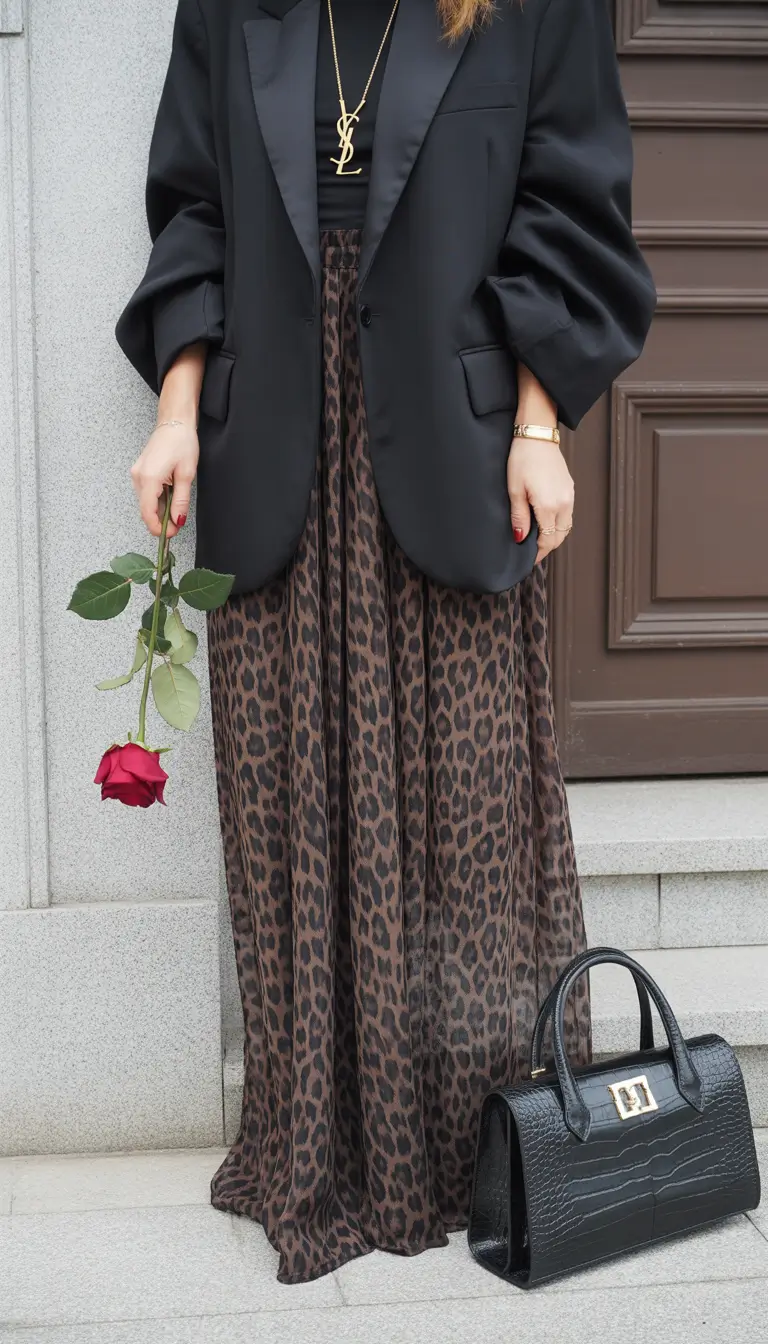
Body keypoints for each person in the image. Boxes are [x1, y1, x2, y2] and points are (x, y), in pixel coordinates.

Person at [115, 0, 656, 1284]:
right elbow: (191, 205)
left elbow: (573, 201)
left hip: (457, 449)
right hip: (274, 448)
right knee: (291, 805)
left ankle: (484, 1149)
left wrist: (538, 422)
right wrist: (178, 412)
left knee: (467, 810)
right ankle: (316, 1146)